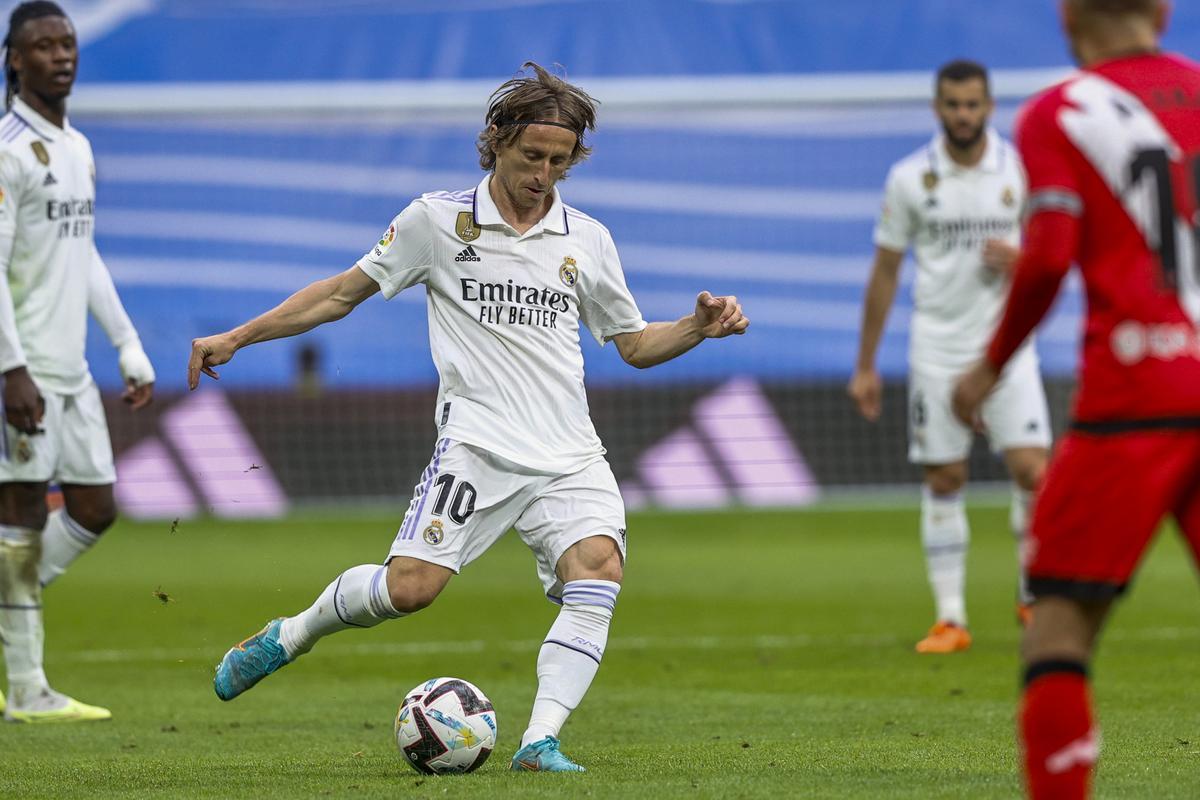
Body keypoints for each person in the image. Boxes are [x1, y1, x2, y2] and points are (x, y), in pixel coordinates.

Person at [187, 61, 748, 772]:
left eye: (558, 161)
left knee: (597, 571)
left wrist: (698, 327)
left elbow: (634, 345)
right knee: (410, 590)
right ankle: (289, 635)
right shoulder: (437, 221)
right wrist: (237, 335)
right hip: (477, 446)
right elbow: (338, 294)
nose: (543, 174)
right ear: (496, 140)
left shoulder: (588, 240)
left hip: (569, 452)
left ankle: (539, 741)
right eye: (531, 156)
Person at [952, 2, 1200, 796]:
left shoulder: (1063, 112)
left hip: (1133, 401)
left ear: (1067, 14)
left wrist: (990, 364)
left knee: (1057, 622)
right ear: (1162, 10)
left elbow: (1050, 253)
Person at [848, 60, 1050, 654]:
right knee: (945, 476)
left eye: (973, 105)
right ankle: (951, 619)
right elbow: (885, 271)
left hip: (1008, 347)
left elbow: (1052, 247)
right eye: (953, 105)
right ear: (939, 109)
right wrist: (866, 365)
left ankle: (1033, 598)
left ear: (989, 107)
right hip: (937, 346)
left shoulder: (1020, 169)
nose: (964, 115)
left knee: (1034, 471)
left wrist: (1024, 260)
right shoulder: (911, 177)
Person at [0, 1, 156, 723]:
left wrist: (125, 342)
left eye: (67, 42)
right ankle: (28, 689)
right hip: (24, 369)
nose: (61, 54)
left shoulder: (78, 147)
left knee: (95, 508)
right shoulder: (8, 148)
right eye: (43, 45)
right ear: (14, 60)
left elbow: (81, 249)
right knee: (23, 519)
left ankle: (10, 599)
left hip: (72, 370)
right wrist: (10, 369)